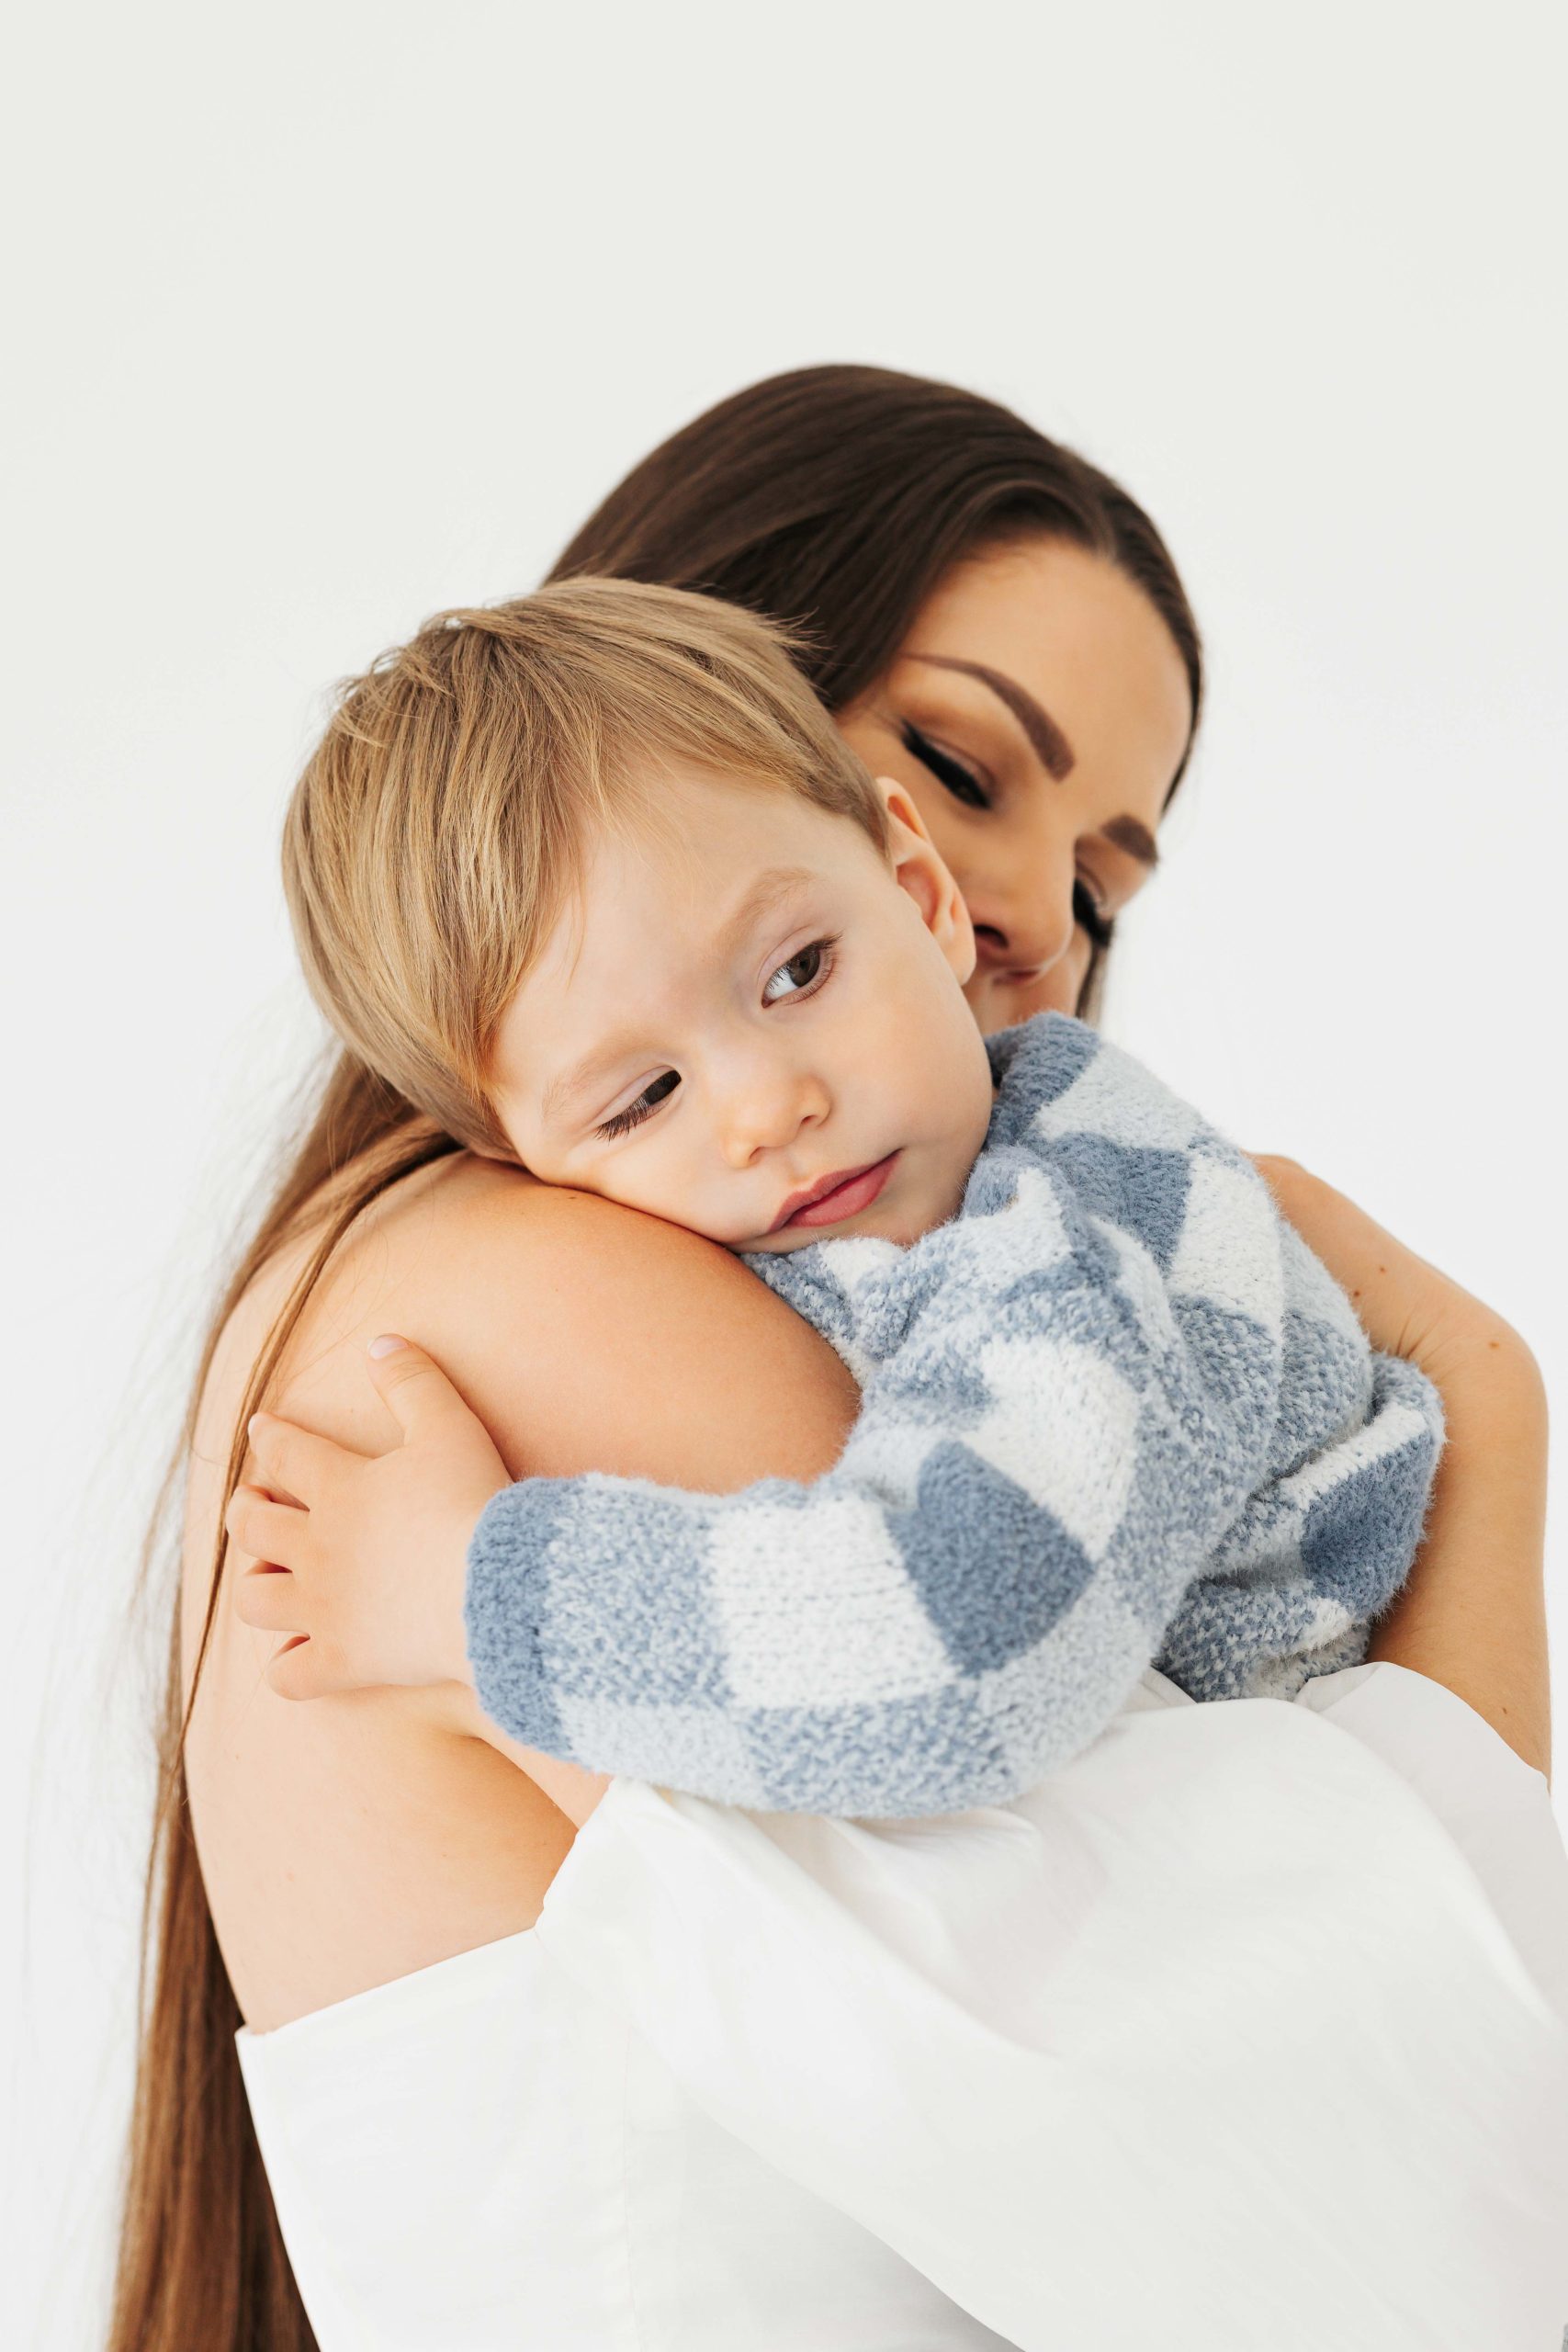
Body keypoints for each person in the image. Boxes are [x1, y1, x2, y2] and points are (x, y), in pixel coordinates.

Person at [110, 368, 1563, 2352]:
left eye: (1101, 880)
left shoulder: (980, 1249)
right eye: (966, 766)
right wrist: (1483, 1407)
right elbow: (1345, 2159)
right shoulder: (549, 1293)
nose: (1031, 915)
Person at [223, 575, 1442, 1818]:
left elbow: (970, 1649)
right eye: (643, 1100)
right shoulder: (838, 1226)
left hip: (1335, 1827)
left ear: (920, 893)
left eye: (798, 971)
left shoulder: (1073, 1230)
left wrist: (466, 1590)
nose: (767, 1108)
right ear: (516, 1161)